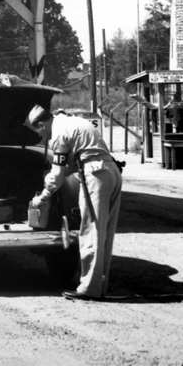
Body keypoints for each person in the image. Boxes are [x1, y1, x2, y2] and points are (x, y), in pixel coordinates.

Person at [27, 105, 123, 301]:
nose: (42, 137)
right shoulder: (74, 121)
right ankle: (99, 285)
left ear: (41, 123)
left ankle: (89, 289)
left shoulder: (59, 135)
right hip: (112, 170)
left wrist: (43, 196)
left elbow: (58, 176)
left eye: (38, 131)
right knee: (105, 232)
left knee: (91, 232)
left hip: (95, 173)